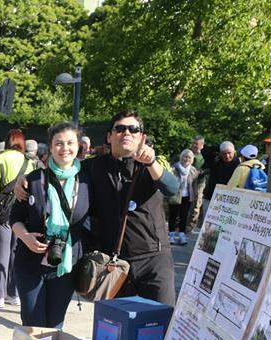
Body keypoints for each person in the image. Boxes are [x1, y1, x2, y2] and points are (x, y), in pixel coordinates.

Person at [32, 110, 179, 305]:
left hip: (154, 260)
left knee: (161, 319)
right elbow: (58, 171)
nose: (126, 133)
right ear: (109, 137)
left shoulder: (152, 165)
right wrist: (24, 181)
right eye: (120, 129)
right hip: (114, 264)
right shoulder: (92, 167)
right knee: (117, 322)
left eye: (133, 129)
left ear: (141, 137)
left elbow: (172, 189)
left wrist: (151, 162)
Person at [10, 121, 90, 328]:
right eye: (59, 143)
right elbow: (15, 218)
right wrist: (25, 237)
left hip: (66, 265)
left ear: (79, 146)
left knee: (55, 325)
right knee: (33, 324)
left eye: (70, 143)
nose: (65, 148)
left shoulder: (87, 181)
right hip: (30, 263)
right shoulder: (33, 180)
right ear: (51, 147)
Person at [0, 129, 30, 308]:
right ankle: (14, 294)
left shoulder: (0, 159)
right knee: (15, 254)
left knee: (1, 255)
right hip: (22, 213)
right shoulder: (29, 162)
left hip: (3, 213)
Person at [168, 149, 200, 246]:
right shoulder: (174, 168)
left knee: (184, 216)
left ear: (192, 159)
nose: (187, 159)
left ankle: (182, 235)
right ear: (181, 157)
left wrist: (195, 196)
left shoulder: (193, 170)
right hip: (175, 195)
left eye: (189, 157)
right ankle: (171, 234)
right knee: (173, 215)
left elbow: (194, 185)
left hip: (187, 196)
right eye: (185, 156)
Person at [203, 141, 239, 215]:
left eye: (229, 153)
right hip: (210, 197)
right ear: (220, 153)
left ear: (234, 152)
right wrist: (219, 146)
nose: (227, 156)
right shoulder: (216, 162)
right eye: (224, 153)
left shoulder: (238, 164)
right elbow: (205, 150)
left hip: (227, 200)